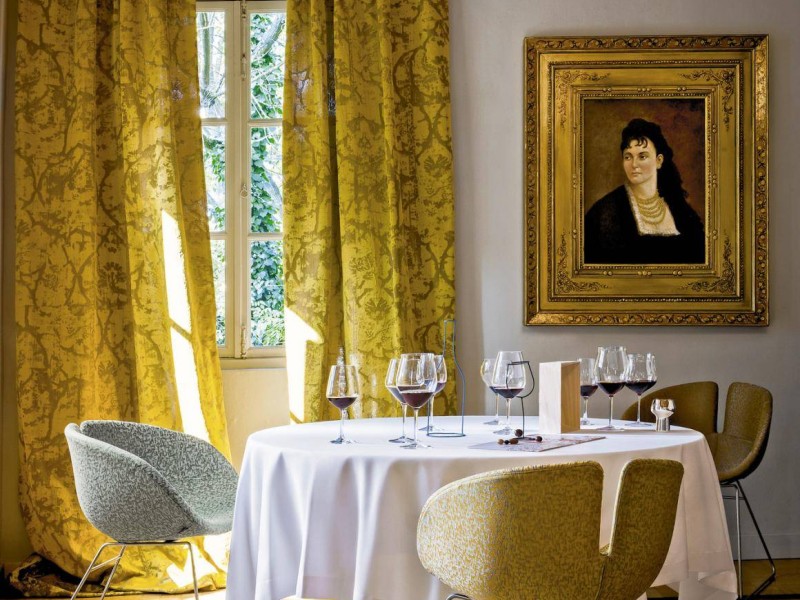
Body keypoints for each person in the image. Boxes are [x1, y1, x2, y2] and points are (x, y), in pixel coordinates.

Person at [584, 118, 705, 265]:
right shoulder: (605, 212)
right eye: (628, 157)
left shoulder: (678, 206)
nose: (634, 164)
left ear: (659, 161)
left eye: (642, 156)